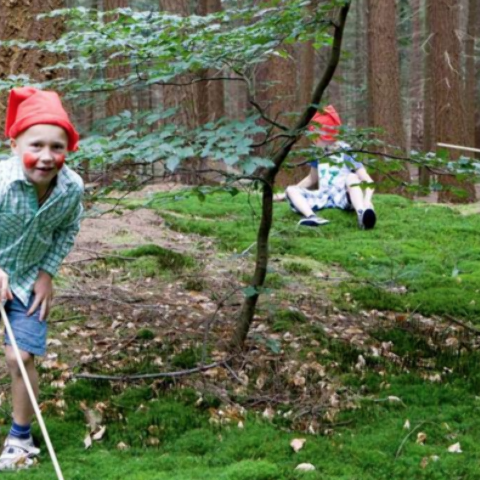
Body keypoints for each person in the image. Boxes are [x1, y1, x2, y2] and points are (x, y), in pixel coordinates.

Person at [0, 87, 84, 470]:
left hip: (28, 281)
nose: (47, 157)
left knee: (22, 355)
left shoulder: (71, 189)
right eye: (37, 144)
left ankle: (20, 439)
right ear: (15, 142)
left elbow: (67, 229)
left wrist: (47, 273)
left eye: (57, 147)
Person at [278, 105, 376, 229]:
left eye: (314, 136)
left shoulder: (346, 151)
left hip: (343, 196)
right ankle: (311, 217)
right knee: (291, 189)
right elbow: (311, 178)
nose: (312, 140)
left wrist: (367, 201)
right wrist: (284, 194)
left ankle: (362, 214)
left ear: (322, 135)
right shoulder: (318, 153)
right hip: (323, 196)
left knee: (352, 177)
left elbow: (368, 181)